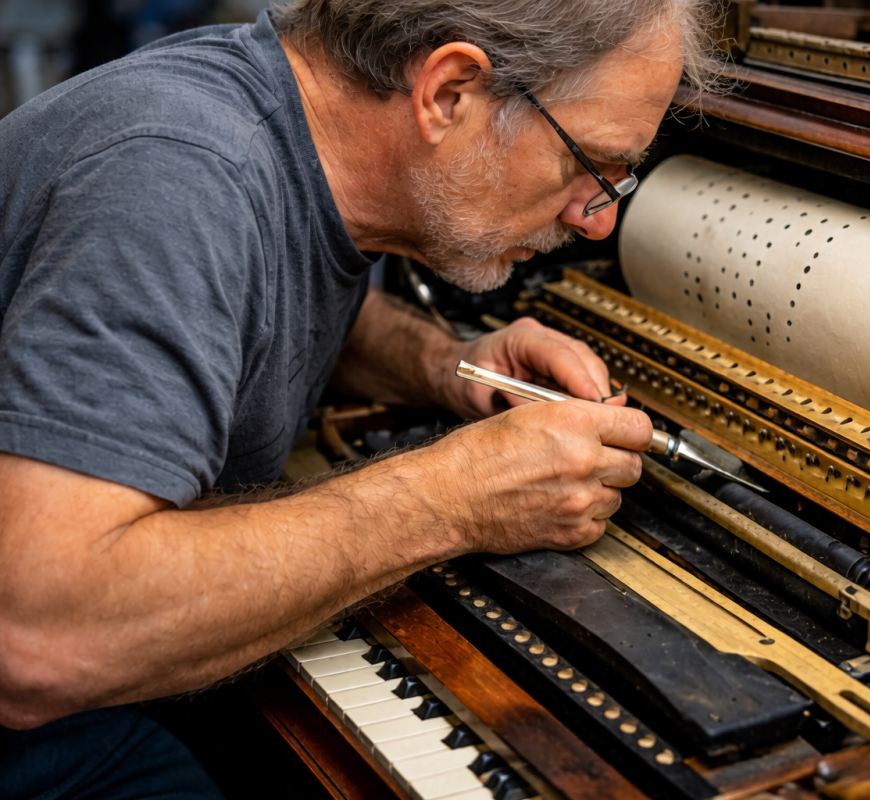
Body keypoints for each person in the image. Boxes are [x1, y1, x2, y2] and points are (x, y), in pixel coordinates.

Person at [0, 0, 723, 795]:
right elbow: (40, 636)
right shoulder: (179, 175)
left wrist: (448, 365)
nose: (597, 219)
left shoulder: (285, 126)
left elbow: (258, 293)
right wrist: (452, 498)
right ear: (449, 92)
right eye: (589, 164)